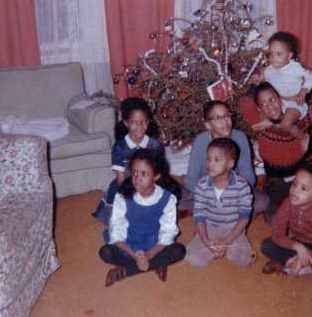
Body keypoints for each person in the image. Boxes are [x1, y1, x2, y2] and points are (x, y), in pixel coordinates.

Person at [99, 148, 185, 287]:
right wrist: (135, 255)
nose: (137, 179)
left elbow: (168, 231)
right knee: (106, 252)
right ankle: (156, 265)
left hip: (155, 245)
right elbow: (116, 228)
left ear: (156, 176)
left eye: (144, 174)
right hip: (129, 244)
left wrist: (149, 256)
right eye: (134, 173)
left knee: (179, 250)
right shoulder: (122, 197)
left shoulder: (168, 199)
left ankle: (126, 271)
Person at [181, 100, 269, 217]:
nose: (225, 121)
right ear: (208, 125)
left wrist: (231, 194)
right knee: (177, 200)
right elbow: (191, 179)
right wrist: (211, 194)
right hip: (207, 190)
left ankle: (221, 217)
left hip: (233, 189)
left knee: (262, 201)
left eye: (227, 115)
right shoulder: (201, 141)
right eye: (218, 117)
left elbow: (249, 176)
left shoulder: (240, 137)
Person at [92, 97, 165, 225]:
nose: (140, 126)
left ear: (148, 122)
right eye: (134, 122)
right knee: (123, 218)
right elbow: (120, 179)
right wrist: (133, 196)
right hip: (127, 185)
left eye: (144, 122)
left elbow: (159, 174)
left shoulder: (155, 145)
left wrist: (150, 191)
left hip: (150, 183)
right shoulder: (119, 148)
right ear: (126, 123)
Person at [185, 138, 256, 267]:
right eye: (209, 158)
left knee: (245, 259)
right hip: (209, 227)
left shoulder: (242, 186)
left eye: (216, 160)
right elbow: (199, 215)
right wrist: (205, 240)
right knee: (192, 258)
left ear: (230, 163)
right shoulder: (202, 184)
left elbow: (244, 217)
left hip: (233, 230)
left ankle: (224, 248)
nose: (210, 164)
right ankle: (215, 248)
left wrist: (227, 241)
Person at [252, 32, 312, 138]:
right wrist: (257, 80)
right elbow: (263, 81)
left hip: (295, 104)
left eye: (278, 54)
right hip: (279, 102)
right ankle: (268, 121)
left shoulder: (295, 68)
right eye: (271, 54)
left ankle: (303, 137)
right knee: (262, 108)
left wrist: (304, 90)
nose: (274, 58)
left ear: (289, 55)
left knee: (285, 124)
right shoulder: (269, 70)